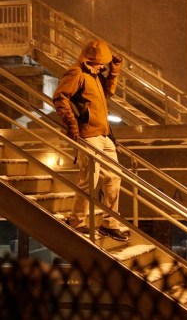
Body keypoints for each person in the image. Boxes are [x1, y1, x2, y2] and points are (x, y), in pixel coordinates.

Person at [53, 39, 128, 242]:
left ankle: (109, 224)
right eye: (101, 62)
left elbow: (108, 93)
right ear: (90, 59)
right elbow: (60, 97)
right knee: (89, 180)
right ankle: (76, 221)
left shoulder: (95, 75)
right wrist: (72, 126)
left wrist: (114, 72)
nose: (103, 66)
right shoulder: (76, 73)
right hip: (88, 135)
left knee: (114, 177)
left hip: (104, 134)